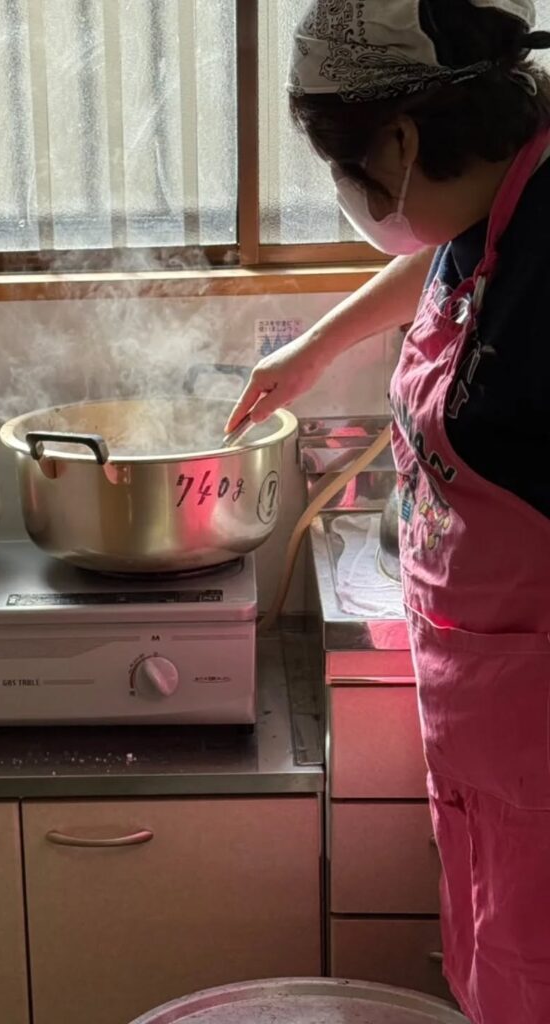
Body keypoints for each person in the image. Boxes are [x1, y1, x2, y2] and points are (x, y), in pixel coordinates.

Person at [228, 1, 550, 1020]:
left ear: (404, 142)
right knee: (490, 966)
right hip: (485, 718)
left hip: (536, 740)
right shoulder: (497, 189)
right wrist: (313, 348)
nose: (343, 189)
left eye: (343, 163)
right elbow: (446, 258)